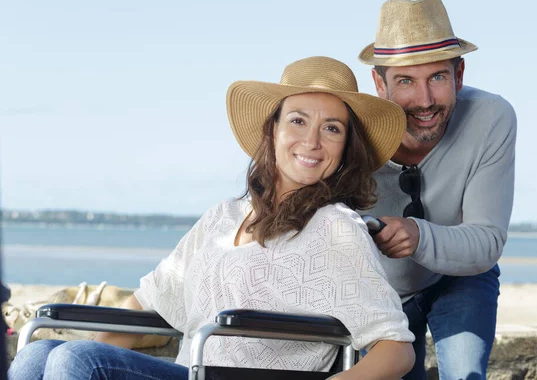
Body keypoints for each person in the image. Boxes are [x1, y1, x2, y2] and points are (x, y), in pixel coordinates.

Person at [9, 56, 416, 379]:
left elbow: (396, 349)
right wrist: (95, 357)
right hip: (194, 371)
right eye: (297, 121)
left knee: (76, 360)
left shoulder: (334, 227)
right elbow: (146, 305)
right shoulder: (221, 218)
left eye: (332, 128)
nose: (312, 141)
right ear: (271, 130)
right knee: (41, 353)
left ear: (346, 148)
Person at [357, 0, 517, 379]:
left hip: (462, 277)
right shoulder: (350, 134)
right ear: (380, 83)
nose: (425, 100)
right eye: (405, 81)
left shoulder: (492, 117)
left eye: (438, 78)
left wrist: (418, 236)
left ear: (459, 74)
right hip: (380, 294)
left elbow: (488, 240)